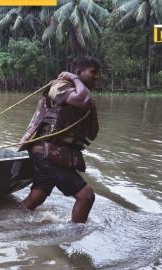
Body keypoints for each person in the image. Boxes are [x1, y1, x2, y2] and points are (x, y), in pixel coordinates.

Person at [18, 56, 100, 223]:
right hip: (45, 150)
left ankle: (9, 221)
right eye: (93, 73)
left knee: (38, 196)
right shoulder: (60, 85)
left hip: (56, 153)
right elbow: (81, 99)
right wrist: (74, 79)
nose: (96, 77)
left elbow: (92, 133)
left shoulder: (86, 98)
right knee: (86, 196)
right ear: (78, 72)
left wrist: (90, 106)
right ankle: (75, 239)